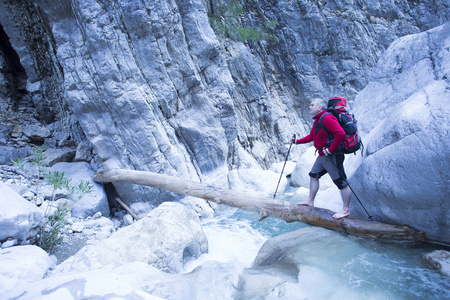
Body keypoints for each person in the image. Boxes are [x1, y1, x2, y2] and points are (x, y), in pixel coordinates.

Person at [292, 98, 351, 219]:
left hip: (331, 156)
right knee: (313, 175)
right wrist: (297, 142)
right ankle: (310, 200)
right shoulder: (318, 120)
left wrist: (330, 150)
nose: (309, 107)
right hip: (322, 156)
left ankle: (345, 210)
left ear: (320, 107)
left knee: (341, 182)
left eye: (312, 105)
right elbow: (312, 136)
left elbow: (341, 133)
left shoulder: (327, 118)